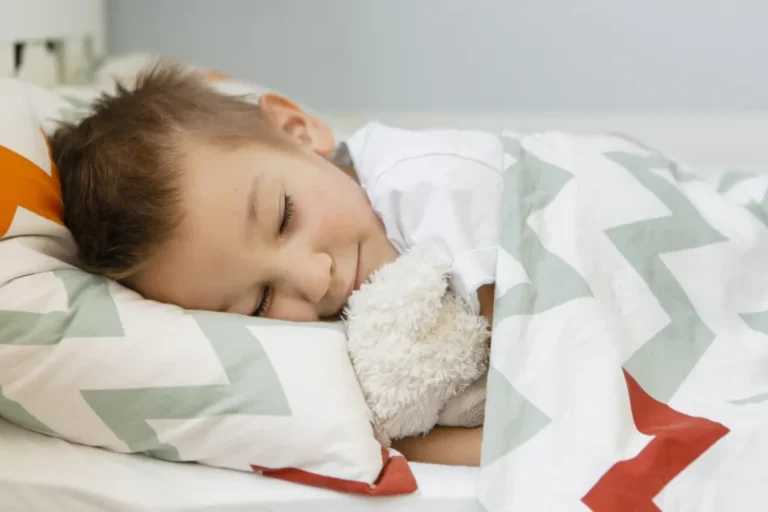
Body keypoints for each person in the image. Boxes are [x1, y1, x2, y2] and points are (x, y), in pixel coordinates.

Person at [51, 62, 502, 466]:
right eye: (259, 302)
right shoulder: (348, 357)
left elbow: (543, 384)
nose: (315, 278)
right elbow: (421, 437)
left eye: (284, 215)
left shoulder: (431, 186)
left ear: (297, 131)